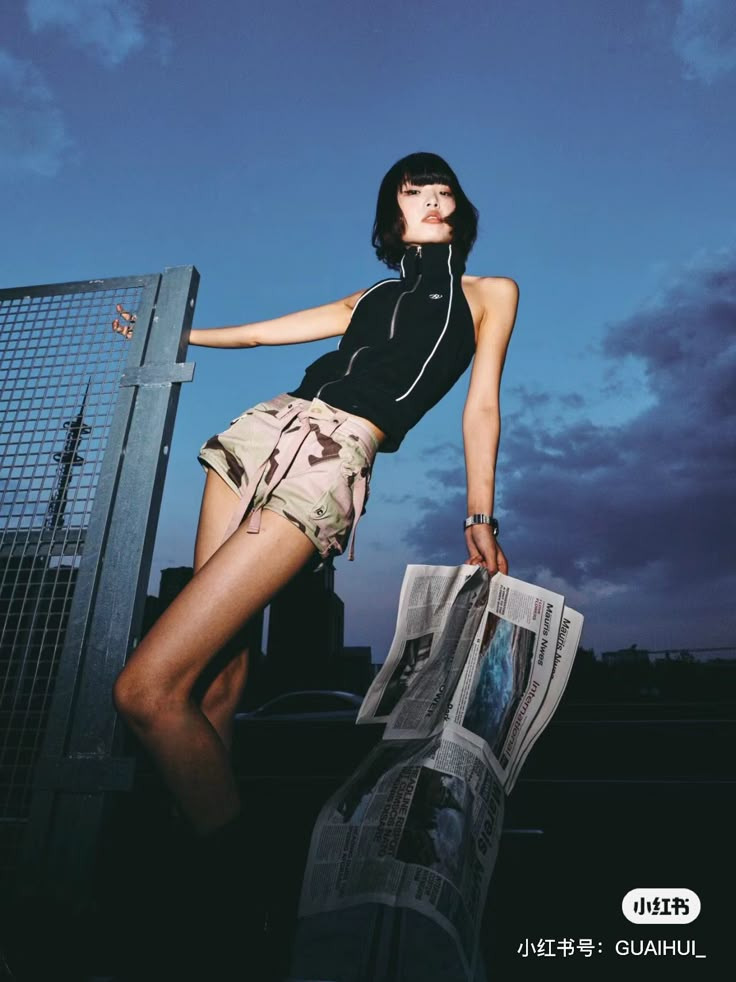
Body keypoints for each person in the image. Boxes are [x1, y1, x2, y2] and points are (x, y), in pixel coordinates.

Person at [111, 149, 518, 911]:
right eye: (414, 190)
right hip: (258, 435)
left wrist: (480, 513)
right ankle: (199, 900)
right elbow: (260, 336)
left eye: (444, 191)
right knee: (217, 680)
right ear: (392, 212)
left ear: (458, 210)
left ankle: (253, 900)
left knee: (146, 690)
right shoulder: (365, 295)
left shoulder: (489, 292)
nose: (433, 199)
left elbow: (481, 406)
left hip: (329, 461)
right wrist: (169, 338)